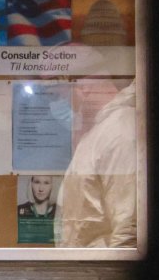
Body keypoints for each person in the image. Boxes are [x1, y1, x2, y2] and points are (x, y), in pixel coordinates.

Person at [57, 81, 138, 248]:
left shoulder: (120, 130)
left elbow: (127, 228)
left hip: (99, 268)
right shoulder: (99, 132)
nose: (61, 101)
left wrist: (116, 273)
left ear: (84, 88)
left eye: (61, 94)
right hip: (86, 266)